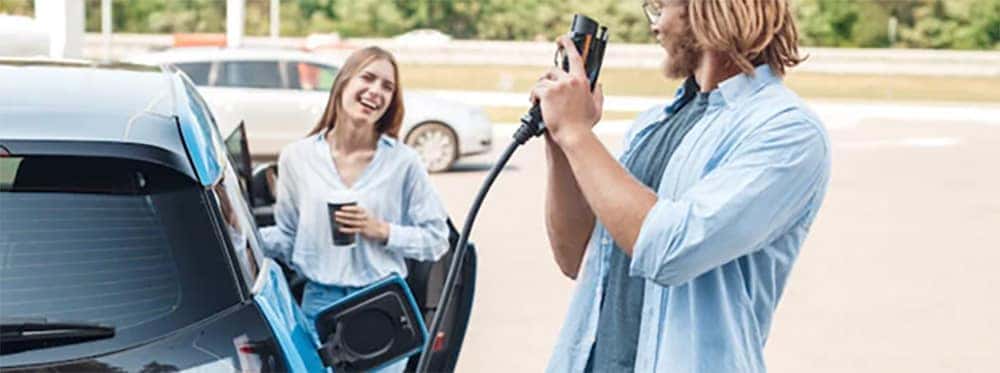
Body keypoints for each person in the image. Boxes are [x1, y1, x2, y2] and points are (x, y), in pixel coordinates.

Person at [531, 0, 831, 372]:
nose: (655, 25)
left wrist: (575, 133)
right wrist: (559, 140)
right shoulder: (653, 124)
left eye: (660, 6)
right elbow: (575, 255)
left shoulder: (786, 131)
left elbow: (669, 249)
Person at [260, 46, 449, 371]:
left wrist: (381, 230)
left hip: (381, 307)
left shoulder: (403, 162)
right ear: (344, 82)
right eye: (369, 78)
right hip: (319, 306)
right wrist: (236, 232)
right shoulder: (297, 157)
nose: (376, 91)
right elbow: (289, 237)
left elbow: (437, 239)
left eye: (387, 87)